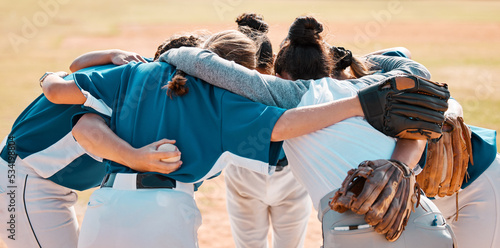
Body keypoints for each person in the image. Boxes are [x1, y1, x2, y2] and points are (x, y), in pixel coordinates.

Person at [41, 29, 378, 248]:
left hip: (104, 208)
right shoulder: (224, 102)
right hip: (166, 213)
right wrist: (354, 104)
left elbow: (67, 103)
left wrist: (47, 76)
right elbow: (285, 125)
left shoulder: (134, 71)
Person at [159, 16, 454, 247]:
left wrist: (171, 54)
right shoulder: (368, 89)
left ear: (280, 75)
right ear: (327, 66)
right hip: (427, 223)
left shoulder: (291, 95)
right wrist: (354, 58)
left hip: (358, 233)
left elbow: (205, 64)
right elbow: (414, 68)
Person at [0, 36, 204, 248]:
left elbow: (75, 66)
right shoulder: (146, 88)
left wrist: (110, 54)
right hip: (23, 177)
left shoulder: (143, 72)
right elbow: (85, 127)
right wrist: (134, 157)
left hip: (40, 176)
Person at [224, 13, 312, 248]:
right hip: (290, 175)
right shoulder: (290, 87)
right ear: (273, 60)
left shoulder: (227, 87)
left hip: (243, 171)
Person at [427, 98, 499, 248]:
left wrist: (448, 117)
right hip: (429, 202)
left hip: (478, 182)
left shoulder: (381, 83)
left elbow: (446, 99)